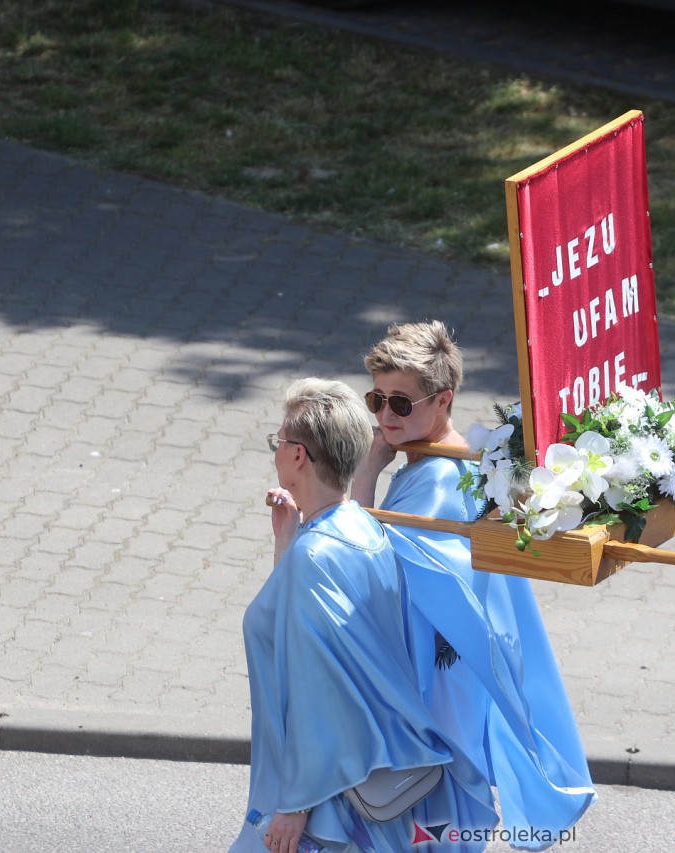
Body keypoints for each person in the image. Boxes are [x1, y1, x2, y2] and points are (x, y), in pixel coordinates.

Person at [350, 321, 594, 848]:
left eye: (401, 403)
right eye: (377, 400)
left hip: (438, 677)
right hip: (450, 667)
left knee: (434, 821)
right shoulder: (449, 461)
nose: (385, 416)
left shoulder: (440, 480)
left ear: (444, 400)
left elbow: (360, 565)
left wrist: (366, 473)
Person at [231, 377, 498, 853]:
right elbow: (307, 631)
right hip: (364, 777)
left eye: (279, 441)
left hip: (327, 800)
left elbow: (316, 688)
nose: (276, 450)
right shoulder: (363, 528)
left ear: (297, 456)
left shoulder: (314, 557)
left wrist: (294, 805)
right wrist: (287, 542)